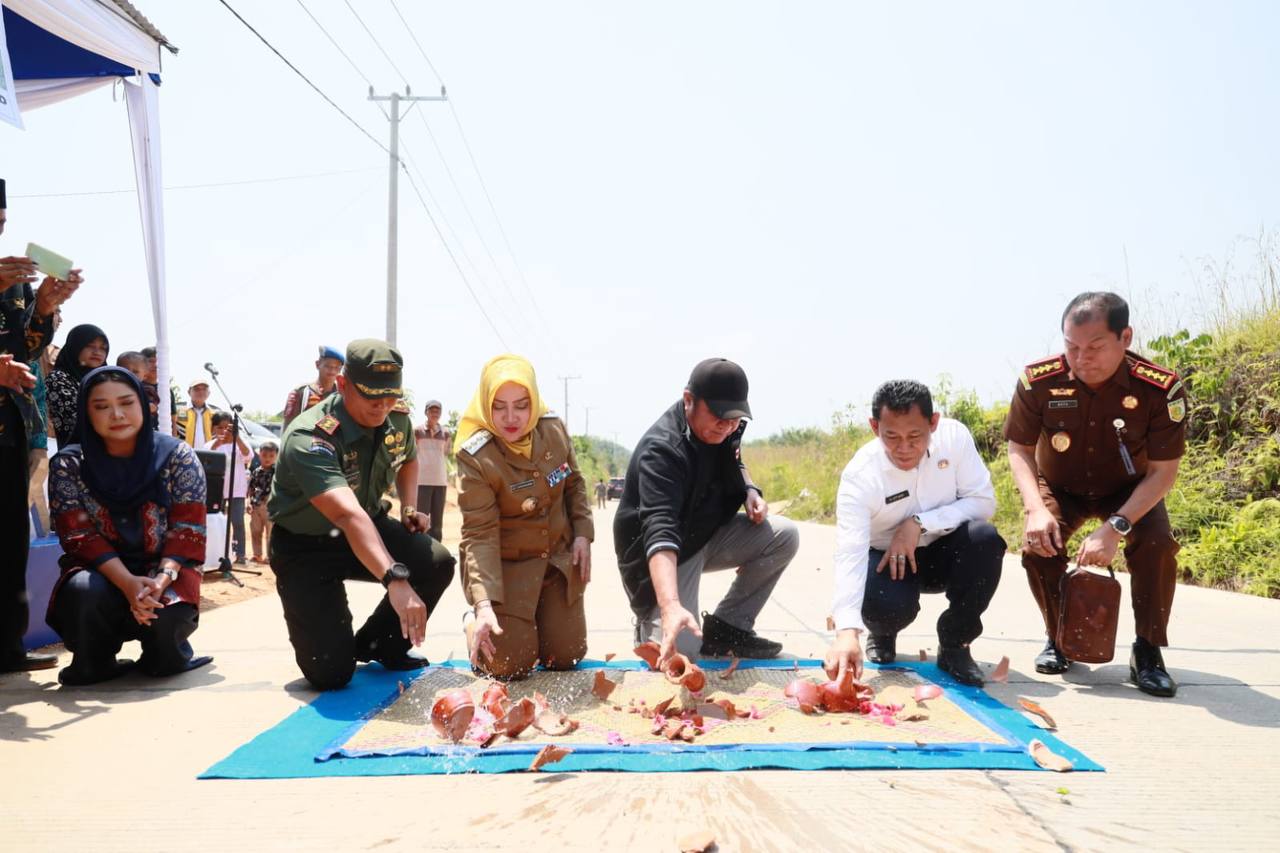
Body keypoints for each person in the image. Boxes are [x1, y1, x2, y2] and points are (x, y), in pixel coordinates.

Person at [1005, 291, 1189, 697]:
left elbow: (1163, 472)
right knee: (1039, 548)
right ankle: (1059, 638)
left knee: (1156, 543)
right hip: (1060, 487)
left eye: (1095, 346)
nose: (1081, 357)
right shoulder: (1038, 381)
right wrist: (1035, 508)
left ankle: (1147, 650)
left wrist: (1116, 527)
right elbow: (1018, 448)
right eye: (1071, 346)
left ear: (1125, 337)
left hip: (1129, 489)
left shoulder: (1160, 389)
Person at [268, 339, 455, 690]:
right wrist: (395, 580)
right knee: (331, 675)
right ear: (342, 385)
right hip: (305, 547)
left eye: (390, 398)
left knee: (437, 562)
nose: (382, 407)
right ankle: (333, 646)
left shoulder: (396, 417)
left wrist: (409, 506)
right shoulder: (312, 435)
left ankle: (380, 644)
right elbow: (346, 515)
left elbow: (408, 458)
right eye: (372, 398)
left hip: (367, 524)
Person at [615, 358, 799, 664]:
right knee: (681, 654)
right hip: (662, 554)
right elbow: (659, 530)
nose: (726, 427)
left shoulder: (726, 428)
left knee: (784, 535)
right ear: (689, 400)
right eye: (719, 417)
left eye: (734, 419)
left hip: (705, 533)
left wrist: (750, 491)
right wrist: (671, 605)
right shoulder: (661, 451)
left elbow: (735, 461)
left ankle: (729, 627)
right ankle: (652, 624)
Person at [825, 380, 1005, 686]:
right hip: (886, 560)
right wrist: (847, 632)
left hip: (943, 553)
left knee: (985, 540)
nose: (904, 449)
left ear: (933, 423)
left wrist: (918, 523)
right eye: (891, 436)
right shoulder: (860, 477)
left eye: (915, 436)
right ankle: (882, 633)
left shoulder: (955, 439)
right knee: (886, 607)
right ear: (874, 427)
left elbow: (983, 502)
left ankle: (954, 644)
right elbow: (850, 552)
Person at [46, 366, 211, 685]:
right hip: (100, 573)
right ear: (86, 413)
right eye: (101, 407)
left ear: (143, 405)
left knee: (165, 625)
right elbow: (79, 536)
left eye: (126, 402)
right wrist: (127, 583)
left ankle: (166, 651)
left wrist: (159, 581)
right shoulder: (69, 464)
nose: (117, 414)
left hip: (162, 572)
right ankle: (95, 661)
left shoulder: (178, 456)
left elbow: (187, 531)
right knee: (83, 592)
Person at [455, 355, 593, 679]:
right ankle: (471, 622)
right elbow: (479, 534)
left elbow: (573, 482)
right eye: (499, 406)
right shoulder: (476, 456)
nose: (511, 417)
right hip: (507, 568)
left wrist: (584, 533)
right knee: (509, 665)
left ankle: (540, 621)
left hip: (556, 561)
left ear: (534, 400)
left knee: (566, 657)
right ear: (486, 404)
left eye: (521, 405)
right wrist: (484, 605)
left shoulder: (553, 428)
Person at [1, 177, 83, 673]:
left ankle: (7, 649)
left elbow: (29, 348)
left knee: (9, 540)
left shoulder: (15, 285)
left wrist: (47, 307)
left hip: (10, 430)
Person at [46, 323, 109, 447]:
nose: (97, 352)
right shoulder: (58, 378)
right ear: (75, 347)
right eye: (90, 346)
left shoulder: (107, 379)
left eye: (103, 348)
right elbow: (76, 421)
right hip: (77, 455)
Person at [204, 411, 253, 565]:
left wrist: (237, 438)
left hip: (236, 489)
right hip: (216, 491)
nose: (224, 431)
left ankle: (240, 554)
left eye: (228, 427)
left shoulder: (239, 443)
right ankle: (217, 553)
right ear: (213, 428)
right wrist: (218, 443)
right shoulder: (209, 444)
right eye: (220, 427)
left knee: (237, 521)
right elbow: (204, 458)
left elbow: (249, 456)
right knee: (215, 521)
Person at [413, 399, 450, 542]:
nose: (435, 413)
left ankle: (437, 555)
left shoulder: (446, 433)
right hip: (422, 481)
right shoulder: (417, 431)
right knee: (421, 520)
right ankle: (420, 551)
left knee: (437, 524)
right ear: (426, 412)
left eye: (437, 411)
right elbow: (412, 453)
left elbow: (446, 452)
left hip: (440, 481)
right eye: (431, 410)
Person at [282, 345, 344, 428]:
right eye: (328, 366)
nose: (332, 371)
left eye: (337, 368)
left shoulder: (342, 396)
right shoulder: (301, 393)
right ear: (317, 364)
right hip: (302, 438)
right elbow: (288, 427)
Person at [247, 439, 278, 564]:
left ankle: (270, 557)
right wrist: (248, 503)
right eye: (264, 455)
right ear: (259, 454)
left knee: (271, 533)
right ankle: (257, 554)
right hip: (256, 505)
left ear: (276, 456)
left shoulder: (277, 472)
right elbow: (251, 489)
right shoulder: (255, 471)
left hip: (271, 507)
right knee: (255, 531)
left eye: (271, 456)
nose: (267, 459)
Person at [139, 346, 178, 436]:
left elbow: (173, 421)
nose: (156, 364)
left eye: (159, 361)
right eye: (151, 361)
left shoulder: (167, 390)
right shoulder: (135, 387)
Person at [179, 378, 215, 448]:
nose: (201, 392)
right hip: (184, 455)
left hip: (209, 456)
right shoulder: (179, 410)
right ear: (189, 392)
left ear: (209, 392)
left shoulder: (215, 413)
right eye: (197, 389)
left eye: (204, 389)